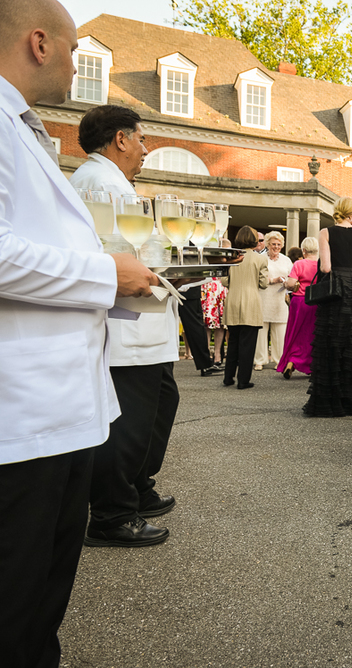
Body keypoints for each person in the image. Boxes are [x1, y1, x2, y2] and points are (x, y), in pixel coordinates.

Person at [0, 0, 159, 662]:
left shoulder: (23, 128)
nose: (75, 66)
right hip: (21, 416)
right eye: (72, 50)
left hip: (59, 410)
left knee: (40, 605)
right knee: (16, 606)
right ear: (40, 42)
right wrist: (106, 274)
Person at [70, 104, 177, 548]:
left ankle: (136, 486)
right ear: (121, 138)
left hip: (141, 316)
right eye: (143, 139)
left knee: (159, 404)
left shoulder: (109, 181)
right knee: (129, 419)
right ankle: (113, 513)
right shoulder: (100, 183)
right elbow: (118, 251)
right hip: (126, 318)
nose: (146, 149)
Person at [304, 197, 352, 416]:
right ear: (351, 214)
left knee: (331, 342)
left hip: (336, 290)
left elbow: (327, 267)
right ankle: (350, 402)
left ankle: (328, 402)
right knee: (351, 343)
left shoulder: (326, 232)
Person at [222, 225, 268, 388]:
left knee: (233, 341)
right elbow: (264, 283)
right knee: (248, 345)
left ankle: (228, 378)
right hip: (251, 301)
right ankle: (243, 380)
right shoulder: (260, 258)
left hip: (233, 299)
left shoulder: (231, 256)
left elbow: (224, 281)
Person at [277, 236, 320, 378]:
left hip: (300, 302)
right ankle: (312, 363)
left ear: (304, 250)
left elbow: (290, 284)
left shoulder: (299, 264)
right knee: (312, 333)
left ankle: (291, 361)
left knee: (295, 332)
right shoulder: (321, 264)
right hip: (317, 302)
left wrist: (284, 284)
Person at [255, 231, 293, 370]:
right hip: (263, 297)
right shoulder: (260, 258)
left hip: (280, 299)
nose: (276, 247)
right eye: (273, 244)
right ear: (267, 244)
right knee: (261, 331)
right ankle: (260, 360)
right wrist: (272, 280)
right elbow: (257, 278)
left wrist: (288, 283)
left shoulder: (286, 260)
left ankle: (279, 360)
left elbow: (292, 276)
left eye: (278, 245)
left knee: (280, 331)